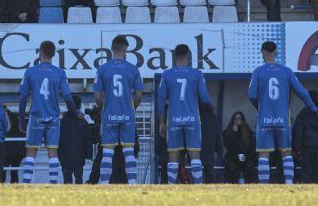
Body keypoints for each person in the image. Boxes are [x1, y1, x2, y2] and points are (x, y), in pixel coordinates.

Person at [247, 40, 318, 185]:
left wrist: (259, 107)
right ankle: (288, 185)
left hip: (265, 119)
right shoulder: (286, 71)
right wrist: (313, 107)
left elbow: (251, 95)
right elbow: (302, 92)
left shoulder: (258, 72)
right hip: (282, 119)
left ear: (262, 52)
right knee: (286, 152)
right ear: (276, 53)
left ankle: (264, 187)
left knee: (263, 153)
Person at [18, 41, 82, 184]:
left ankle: (26, 184)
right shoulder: (59, 73)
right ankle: (53, 185)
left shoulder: (30, 72)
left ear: (40, 52)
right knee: (53, 152)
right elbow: (67, 97)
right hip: (53, 118)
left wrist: (21, 119)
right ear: (53, 54)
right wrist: (76, 112)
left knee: (31, 152)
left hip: (36, 117)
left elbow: (22, 97)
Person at [157, 43, 213, 184]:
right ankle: (198, 188)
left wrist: (161, 123)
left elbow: (161, 100)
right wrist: (212, 107)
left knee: (173, 156)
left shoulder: (167, 74)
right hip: (192, 119)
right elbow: (205, 98)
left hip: (174, 120)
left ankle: (171, 187)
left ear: (174, 56)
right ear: (188, 56)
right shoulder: (197, 74)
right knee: (195, 155)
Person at [93, 36, 144, 184]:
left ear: (112, 49)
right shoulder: (133, 69)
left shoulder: (102, 69)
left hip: (109, 115)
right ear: (125, 50)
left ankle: (104, 185)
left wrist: (104, 110)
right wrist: (130, 109)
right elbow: (139, 95)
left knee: (107, 153)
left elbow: (97, 97)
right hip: (127, 116)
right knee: (129, 152)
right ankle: (133, 184)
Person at [293, 90, 318, 183]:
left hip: (306, 149)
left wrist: (296, 149)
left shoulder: (302, 115)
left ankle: (308, 195)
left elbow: (298, 132)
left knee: (307, 175)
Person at [58, 96, 88, 184]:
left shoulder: (62, 121)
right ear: (79, 106)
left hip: (64, 155)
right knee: (79, 179)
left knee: (67, 180)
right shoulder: (83, 121)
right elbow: (87, 139)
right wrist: (88, 154)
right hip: (80, 155)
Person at [223, 111, 256, 183]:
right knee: (232, 167)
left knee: (250, 167)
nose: (237, 120)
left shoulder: (248, 132)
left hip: (246, 157)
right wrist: (234, 133)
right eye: (235, 119)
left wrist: (246, 156)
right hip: (233, 157)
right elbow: (228, 146)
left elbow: (252, 148)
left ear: (242, 120)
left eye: (239, 119)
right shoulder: (228, 132)